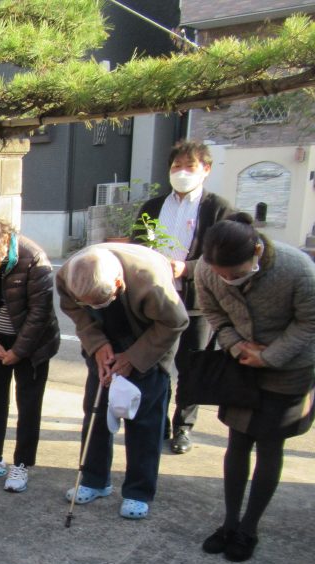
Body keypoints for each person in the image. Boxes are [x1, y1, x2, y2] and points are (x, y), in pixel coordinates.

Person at [194, 214, 315, 562]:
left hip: (289, 370)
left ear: (256, 251)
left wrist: (272, 355)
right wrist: (237, 347)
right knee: (237, 441)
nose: (228, 280)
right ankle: (229, 522)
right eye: (222, 274)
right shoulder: (207, 270)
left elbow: (312, 319)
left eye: (235, 274)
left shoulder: (296, 267)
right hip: (242, 366)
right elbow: (213, 314)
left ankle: (249, 529)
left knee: (270, 445)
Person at [56, 243, 188, 519]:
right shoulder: (69, 275)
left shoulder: (150, 282)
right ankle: (94, 479)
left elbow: (174, 323)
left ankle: (138, 491)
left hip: (149, 339)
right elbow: (74, 310)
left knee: (144, 419)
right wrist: (97, 344)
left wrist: (133, 358)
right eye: (89, 303)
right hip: (106, 336)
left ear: (118, 282)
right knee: (96, 410)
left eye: (100, 303)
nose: (94, 307)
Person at [133, 140, 233, 455]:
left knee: (193, 364)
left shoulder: (217, 209)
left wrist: (187, 267)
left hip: (198, 302)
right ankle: (157, 420)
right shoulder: (152, 208)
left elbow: (226, 254)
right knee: (158, 363)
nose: (182, 173)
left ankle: (183, 427)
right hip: (158, 299)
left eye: (190, 167)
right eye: (177, 167)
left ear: (206, 170)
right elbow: (139, 245)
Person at [0, 215, 59, 492]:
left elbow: (40, 312)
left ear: (5, 240)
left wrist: (19, 350)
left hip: (33, 345)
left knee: (28, 404)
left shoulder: (34, 258)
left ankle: (22, 464)